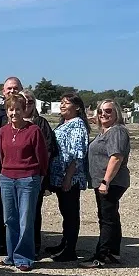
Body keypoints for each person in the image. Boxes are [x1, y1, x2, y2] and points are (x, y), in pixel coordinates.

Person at [0, 95, 48, 271]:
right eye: (11, 109)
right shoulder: (3, 131)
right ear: (7, 111)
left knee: (25, 219)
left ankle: (24, 257)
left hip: (28, 178)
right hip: (6, 178)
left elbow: (42, 156)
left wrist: (41, 177)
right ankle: (11, 255)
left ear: (24, 110)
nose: (14, 113)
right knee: (9, 218)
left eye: (18, 109)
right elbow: (1, 155)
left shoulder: (33, 130)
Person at [80, 99, 131, 268]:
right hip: (103, 182)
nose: (103, 114)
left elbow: (116, 157)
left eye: (108, 111)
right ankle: (112, 253)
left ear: (117, 113)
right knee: (111, 216)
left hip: (111, 182)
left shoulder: (117, 131)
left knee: (106, 218)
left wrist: (105, 181)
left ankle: (101, 256)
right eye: (100, 111)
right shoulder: (105, 132)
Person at [47, 93, 90, 262]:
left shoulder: (77, 125)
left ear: (77, 107)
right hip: (59, 176)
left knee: (71, 214)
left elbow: (77, 154)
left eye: (66, 103)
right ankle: (64, 243)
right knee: (65, 212)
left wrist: (68, 177)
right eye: (61, 102)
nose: (62, 105)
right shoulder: (64, 123)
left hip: (69, 178)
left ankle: (70, 249)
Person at [18, 90, 58, 258]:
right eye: (23, 101)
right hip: (13, 175)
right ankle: (15, 246)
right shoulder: (11, 121)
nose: (27, 104)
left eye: (30, 101)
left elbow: (48, 150)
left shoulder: (40, 123)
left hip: (34, 176)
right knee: (15, 214)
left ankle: (33, 246)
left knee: (32, 212)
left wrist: (41, 174)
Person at [0, 76, 24, 250]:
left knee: (19, 206)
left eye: (15, 88)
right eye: (9, 88)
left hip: (21, 168)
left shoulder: (26, 111)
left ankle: (19, 240)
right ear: (3, 92)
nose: (12, 91)